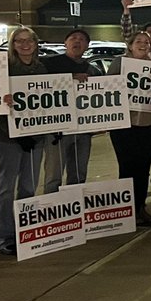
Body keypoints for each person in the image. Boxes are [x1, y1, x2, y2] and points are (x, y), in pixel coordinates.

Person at [0, 27, 48, 255]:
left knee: (28, 187)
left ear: (35, 43)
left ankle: (24, 231)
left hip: (35, 138)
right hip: (8, 138)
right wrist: (17, 132)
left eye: (29, 41)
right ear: (12, 45)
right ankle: (3, 237)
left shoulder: (41, 68)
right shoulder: (4, 69)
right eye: (19, 41)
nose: (25, 45)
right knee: (6, 188)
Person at [106, 32, 151, 226]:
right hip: (124, 125)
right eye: (138, 41)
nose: (143, 44)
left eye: (146, 42)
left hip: (149, 124)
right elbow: (106, 88)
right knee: (127, 167)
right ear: (129, 45)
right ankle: (126, 211)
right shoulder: (119, 63)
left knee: (143, 169)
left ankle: (140, 208)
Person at [41, 28, 93, 194]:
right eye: (73, 38)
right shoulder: (50, 63)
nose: (77, 41)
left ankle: (74, 211)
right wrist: (70, 79)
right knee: (53, 176)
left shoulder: (92, 69)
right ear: (65, 43)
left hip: (83, 130)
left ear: (87, 46)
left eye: (82, 39)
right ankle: (51, 212)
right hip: (58, 130)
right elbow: (40, 86)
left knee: (79, 175)